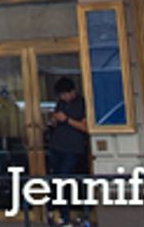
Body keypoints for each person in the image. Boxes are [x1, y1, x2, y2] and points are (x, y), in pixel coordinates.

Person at [46, 77, 89, 225]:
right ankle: (51, 212)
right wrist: (54, 121)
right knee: (54, 180)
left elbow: (86, 127)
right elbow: (58, 121)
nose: (63, 97)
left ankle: (65, 216)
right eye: (61, 95)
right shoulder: (61, 103)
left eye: (65, 94)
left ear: (73, 91)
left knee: (64, 180)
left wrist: (66, 120)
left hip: (73, 148)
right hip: (57, 146)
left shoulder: (82, 103)